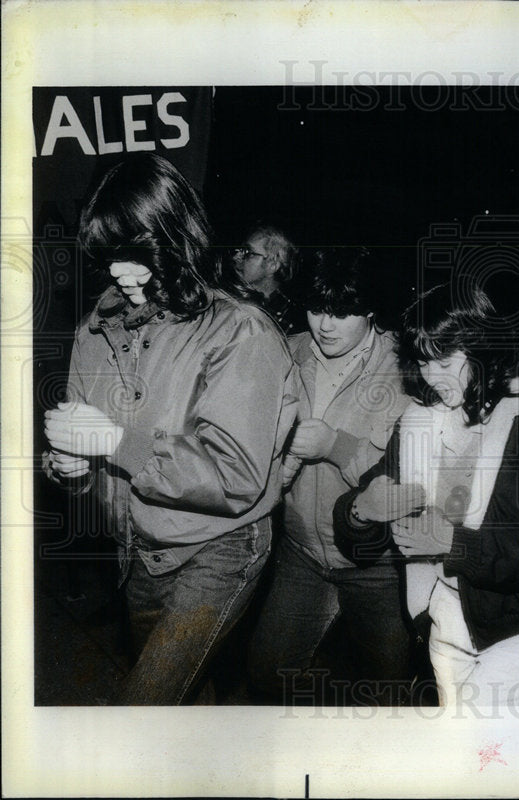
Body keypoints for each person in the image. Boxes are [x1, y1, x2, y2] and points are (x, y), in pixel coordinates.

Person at [42, 154, 297, 704]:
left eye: (137, 255)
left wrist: (111, 440)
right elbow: (95, 468)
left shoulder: (237, 331)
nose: (120, 273)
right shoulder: (97, 329)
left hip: (222, 545)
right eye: (110, 256)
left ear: (178, 237)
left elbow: (236, 476)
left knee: (144, 707)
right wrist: (72, 468)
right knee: (181, 692)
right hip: (138, 545)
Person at [332, 284, 519, 707]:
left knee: (473, 745)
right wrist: (361, 510)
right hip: (444, 620)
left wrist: (455, 544)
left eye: (446, 360)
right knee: (462, 752)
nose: (434, 377)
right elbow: (363, 524)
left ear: (484, 350)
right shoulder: (419, 424)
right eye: (424, 362)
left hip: (518, 629)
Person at [247, 246, 413, 705]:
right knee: (266, 672)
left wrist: (335, 447)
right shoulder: (288, 351)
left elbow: (414, 475)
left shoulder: (405, 367)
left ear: (373, 310)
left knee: (387, 691)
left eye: (343, 313)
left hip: (378, 566)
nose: (325, 324)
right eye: (318, 308)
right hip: (301, 555)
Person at [229, 224, 301, 335]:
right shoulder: (233, 297)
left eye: (248, 252)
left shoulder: (287, 319)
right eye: (240, 250)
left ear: (272, 265)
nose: (236, 257)